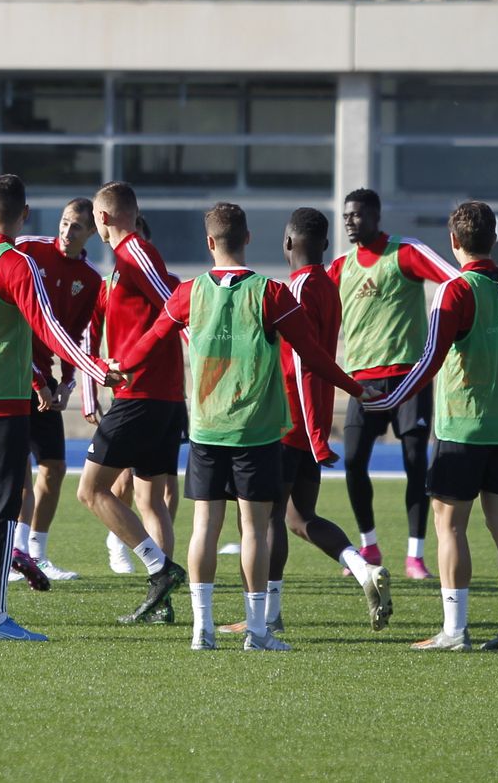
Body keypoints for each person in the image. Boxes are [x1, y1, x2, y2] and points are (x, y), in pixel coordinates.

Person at [115, 202, 374, 651]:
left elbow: (151, 340)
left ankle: (202, 630)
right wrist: (354, 388)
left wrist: (117, 368)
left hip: (206, 429)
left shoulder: (188, 293)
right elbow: (313, 355)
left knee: (204, 527)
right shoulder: (271, 293)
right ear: (249, 238)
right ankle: (257, 632)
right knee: (254, 530)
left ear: (209, 242)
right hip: (256, 432)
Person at [0, 174, 120, 642]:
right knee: (2, 509)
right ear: (25, 215)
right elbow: (49, 327)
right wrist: (94, 368)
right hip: (3, 406)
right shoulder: (17, 263)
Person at [362, 201, 498, 653]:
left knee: (450, 527)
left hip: (462, 427)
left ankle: (455, 629)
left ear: (454, 241)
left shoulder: (455, 289)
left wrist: (387, 399)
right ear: (494, 238)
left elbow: (429, 359)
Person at [219, 207, 392, 638]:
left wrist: (314, 433)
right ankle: (363, 568)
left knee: (267, 518)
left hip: (285, 420)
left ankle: (267, 614)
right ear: (326, 245)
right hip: (310, 419)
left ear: (287, 243)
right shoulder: (328, 286)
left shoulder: (294, 288)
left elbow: (301, 362)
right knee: (300, 517)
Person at [328, 188, 460, 580]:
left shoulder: (405, 252)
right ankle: (368, 544)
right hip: (362, 382)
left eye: (357, 215)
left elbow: (456, 282)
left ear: (375, 216)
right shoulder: (341, 266)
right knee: (353, 462)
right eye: (346, 216)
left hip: (408, 378)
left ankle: (415, 556)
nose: (350, 222)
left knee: (416, 462)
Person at [0, 198, 102, 583]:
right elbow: (11, 317)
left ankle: (33, 554)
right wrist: (38, 380)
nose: (67, 231)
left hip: (45, 382)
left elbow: (74, 336)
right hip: (12, 374)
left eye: (77, 226)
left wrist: (66, 383)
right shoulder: (28, 250)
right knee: (2, 471)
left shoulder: (90, 280)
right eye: (64, 222)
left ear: (91, 233)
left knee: (54, 467)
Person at [73, 183, 189, 625]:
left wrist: (135, 359)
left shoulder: (136, 251)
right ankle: (162, 602)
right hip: (157, 396)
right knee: (150, 500)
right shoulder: (123, 263)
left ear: (103, 218)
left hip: (142, 396)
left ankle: (160, 570)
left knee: (90, 490)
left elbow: (176, 307)